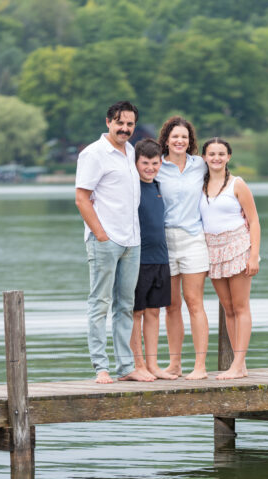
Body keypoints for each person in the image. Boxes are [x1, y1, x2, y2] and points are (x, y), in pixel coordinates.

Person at [75, 101, 154, 384]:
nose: (125, 129)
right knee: (100, 303)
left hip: (132, 241)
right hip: (105, 241)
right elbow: (81, 198)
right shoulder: (94, 154)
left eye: (130, 124)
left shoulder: (130, 151)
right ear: (108, 121)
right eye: (120, 123)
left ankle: (126, 367)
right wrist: (100, 235)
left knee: (125, 306)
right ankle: (101, 367)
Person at [200, 138, 261, 380]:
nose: (216, 158)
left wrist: (253, 256)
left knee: (240, 306)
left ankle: (238, 364)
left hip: (237, 247)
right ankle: (240, 364)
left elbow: (254, 220)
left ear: (229, 157)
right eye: (211, 153)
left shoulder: (237, 184)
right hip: (213, 250)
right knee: (227, 308)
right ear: (204, 157)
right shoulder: (200, 185)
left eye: (221, 153)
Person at [155, 116, 210, 380]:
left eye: (184, 138)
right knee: (171, 306)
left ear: (190, 142)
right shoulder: (156, 166)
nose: (180, 141)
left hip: (193, 239)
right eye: (175, 136)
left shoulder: (200, 165)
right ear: (166, 139)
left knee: (194, 303)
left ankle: (200, 366)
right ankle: (174, 364)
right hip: (164, 242)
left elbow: (224, 178)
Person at [131, 139, 177, 380]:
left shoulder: (158, 186)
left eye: (155, 163)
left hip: (161, 259)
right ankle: (138, 365)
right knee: (135, 313)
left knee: (154, 313)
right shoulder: (131, 187)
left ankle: (153, 366)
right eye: (145, 163)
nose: (150, 167)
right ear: (136, 162)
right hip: (137, 260)